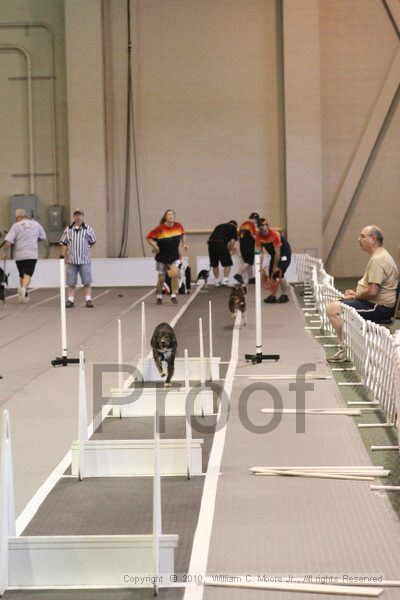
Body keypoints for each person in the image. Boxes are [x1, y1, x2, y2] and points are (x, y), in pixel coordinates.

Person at [327, 225, 398, 363]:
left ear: (373, 239)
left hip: (379, 307)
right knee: (337, 304)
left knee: (333, 309)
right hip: (374, 303)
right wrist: (356, 294)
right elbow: (371, 288)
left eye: (362, 236)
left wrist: (355, 296)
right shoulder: (379, 256)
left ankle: (345, 349)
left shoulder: (379, 260)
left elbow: (373, 291)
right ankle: (350, 345)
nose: (358, 240)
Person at [1, 209, 47, 303]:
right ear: (25, 216)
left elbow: (8, 242)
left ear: (18, 217)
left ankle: (24, 295)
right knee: (28, 274)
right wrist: (34, 239)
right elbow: (43, 237)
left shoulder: (15, 226)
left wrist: (5, 252)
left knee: (22, 275)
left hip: (19, 255)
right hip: (31, 254)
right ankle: (24, 289)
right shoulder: (36, 224)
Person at [146, 209, 187, 305]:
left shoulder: (178, 226)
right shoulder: (160, 229)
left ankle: (173, 295)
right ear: (165, 217)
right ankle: (159, 296)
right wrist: (155, 246)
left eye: (172, 214)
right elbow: (149, 238)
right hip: (162, 258)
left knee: (175, 274)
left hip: (174, 257)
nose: (171, 216)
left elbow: (183, 234)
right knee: (161, 279)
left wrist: (184, 244)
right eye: (169, 214)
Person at [60, 209, 96, 308]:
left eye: (79, 215)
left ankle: (88, 299)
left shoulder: (88, 229)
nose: (78, 217)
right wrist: (63, 256)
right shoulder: (68, 229)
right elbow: (64, 243)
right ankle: (70, 300)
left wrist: (86, 249)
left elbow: (92, 241)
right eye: (76, 215)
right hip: (72, 260)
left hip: (84, 260)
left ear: (83, 216)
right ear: (73, 216)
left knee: (87, 281)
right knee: (71, 281)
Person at [256, 218, 291, 303]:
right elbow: (260, 252)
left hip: (284, 254)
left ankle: (284, 295)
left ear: (267, 226)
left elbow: (278, 252)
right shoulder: (258, 236)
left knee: (280, 273)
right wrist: (260, 266)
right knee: (272, 274)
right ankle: (273, 296)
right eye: (260, 229)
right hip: (274, 255)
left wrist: (275, 266)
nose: (263, 230)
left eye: (264, 227)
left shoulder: (275, 234)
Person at [207, 220, 238, 286]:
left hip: (211, 243)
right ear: (235, 226)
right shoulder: (233, 228)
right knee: (228, 263)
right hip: (220, 243)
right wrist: (229, 250)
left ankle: (216, 281)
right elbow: (232, 242)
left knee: (215, 264)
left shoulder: (219, 226)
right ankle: (225, 280)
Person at [236, 212, 259, 284]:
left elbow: (238, 236)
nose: (255, 223)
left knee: (249, 262)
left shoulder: (242, 225)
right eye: (256, 221)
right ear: (255, 219)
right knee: (248, 262)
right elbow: (254, 236)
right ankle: (238, 274)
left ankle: (251, 278)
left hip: (242, 245)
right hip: (249, 246)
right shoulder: (251, 225)